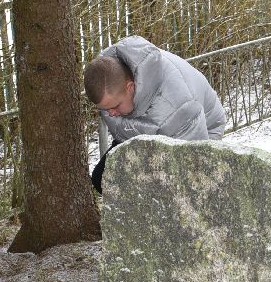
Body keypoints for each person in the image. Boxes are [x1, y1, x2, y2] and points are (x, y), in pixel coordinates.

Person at [83, 35, 226, 192]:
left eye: (115, 106)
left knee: (167, 191)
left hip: (194, 130)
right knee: (102, 179)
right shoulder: (109, 82)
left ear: (130, 87)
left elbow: (195, 163)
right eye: (105, 109)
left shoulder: (179, 105)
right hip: (147, 127)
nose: (110, 114)